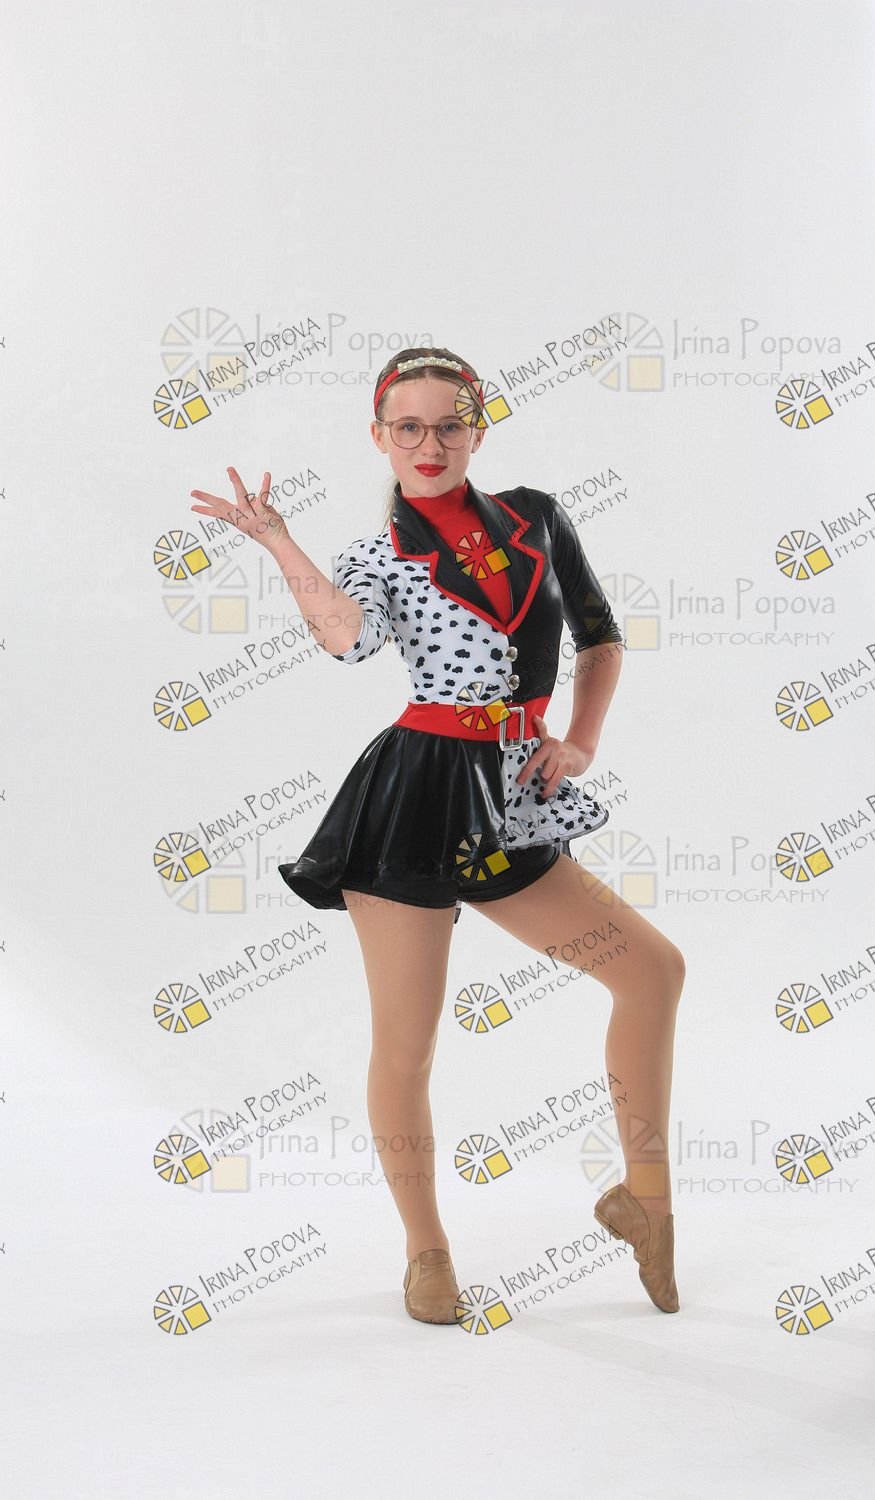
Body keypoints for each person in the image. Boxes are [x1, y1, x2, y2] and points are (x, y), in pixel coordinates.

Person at [189, 346, 686, 1325]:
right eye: (407, 427)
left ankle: (646, 1204)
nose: (429, 443)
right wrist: (280, 543)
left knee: (651, 971)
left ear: (478, 430)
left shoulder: (538, 517)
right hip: (413, 795)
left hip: (511, 792)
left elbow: (598, 634)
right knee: (409, 1042)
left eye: (448, 425)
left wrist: (579, 741)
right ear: (380, 437)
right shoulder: (375, 555)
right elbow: (347, 640)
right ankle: (426, 1251)